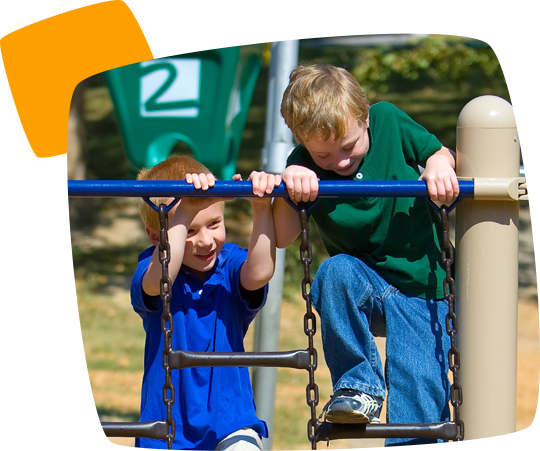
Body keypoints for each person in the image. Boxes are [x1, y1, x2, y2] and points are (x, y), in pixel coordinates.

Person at [272, 64, 460, 450]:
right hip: (365, 290)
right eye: (322, 153)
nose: (339, 161)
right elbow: (285, 236)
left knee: (418, 393)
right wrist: (290, 185)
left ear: (365, 117)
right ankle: (359, 388)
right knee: (334, 271)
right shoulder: (303, 164)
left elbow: (438, 152)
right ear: (302, 141)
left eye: (348, 146)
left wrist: (440, 164)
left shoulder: (389, 121)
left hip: (423, 290)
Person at [130, 155, 281, 450]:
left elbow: (260, 272)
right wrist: (183, 211)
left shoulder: (230, 264)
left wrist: (261, 207)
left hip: (231, 421)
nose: (206, 241)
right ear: (154, 236)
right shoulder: (153, 268)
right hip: (165, 427)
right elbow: (159, 279)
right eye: (189, 230)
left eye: (214, 223)